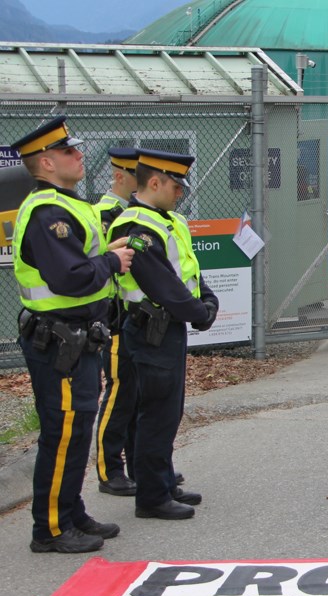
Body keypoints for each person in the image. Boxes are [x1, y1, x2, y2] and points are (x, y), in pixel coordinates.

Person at [11, 116, 134, 553]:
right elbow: (68, 277)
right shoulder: (48, 212)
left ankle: (71, 511)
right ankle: (51, 529)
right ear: (46, 162)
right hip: (58, 340)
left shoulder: (68, 204)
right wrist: (111, 263)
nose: (79, 155)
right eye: (68, 151)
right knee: (62, 432)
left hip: (77, 338)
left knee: (77, 430)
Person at [107, 149, 218, 520]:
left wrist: (208, 300)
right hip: (150, 328)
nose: (181, 192)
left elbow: (186, 271)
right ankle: (152, 496)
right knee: (156, 412)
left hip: (166, 328)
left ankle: (162, 482)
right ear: (154, 182)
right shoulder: (136, 225)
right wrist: (199, 313)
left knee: (166, 411)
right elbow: (161, 284)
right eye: (175, 185)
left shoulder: (167, 219)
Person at [94, 147, 140, 496]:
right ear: (121, 176)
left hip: (136, 317)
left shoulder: (134, 212)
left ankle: (142, 465)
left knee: (139, 393)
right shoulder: (104, 214)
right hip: (114, 318)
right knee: (119, 393)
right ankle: (110, 469)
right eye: (137, 176)